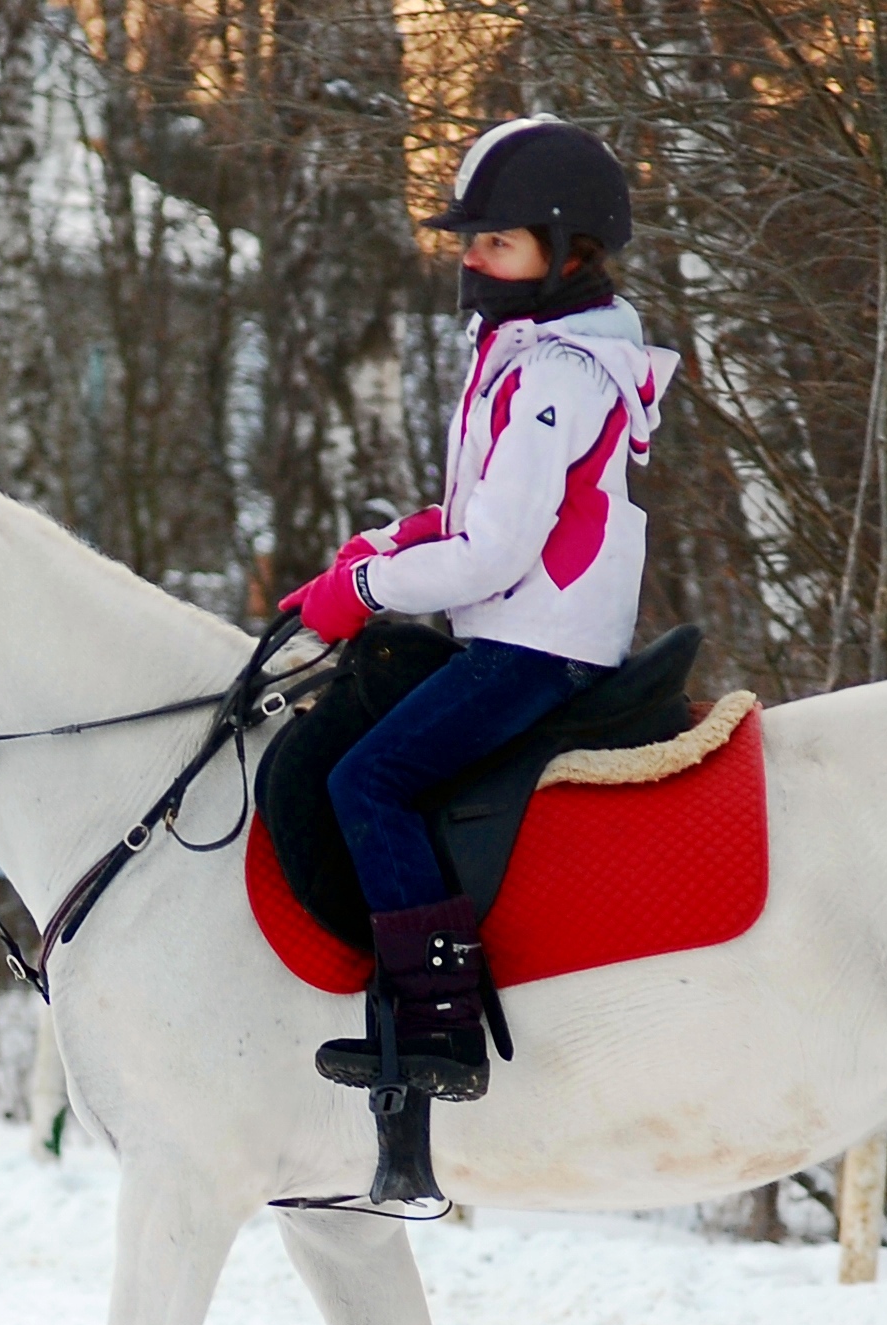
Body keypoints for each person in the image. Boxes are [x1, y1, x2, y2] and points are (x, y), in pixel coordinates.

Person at [282, 117, 675, 1107]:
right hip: (513, 626)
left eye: (497, 241)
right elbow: (481, 512)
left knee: (368, 779)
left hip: (536, 644)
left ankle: (442, 1018)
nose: (471, 259)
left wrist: (363, 593)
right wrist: (380, 546)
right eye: (470, 239)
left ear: (567, 251)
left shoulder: (555, 372)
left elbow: (495, 554)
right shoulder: (525, 349)